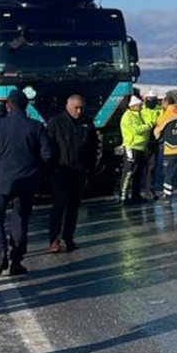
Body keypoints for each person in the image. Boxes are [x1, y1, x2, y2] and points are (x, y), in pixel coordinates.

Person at [0, 90, 52, 277]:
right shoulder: (36, 127)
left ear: (8, 105)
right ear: (26, 105)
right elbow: (47, 155)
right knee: (20, 219)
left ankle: (0, 251)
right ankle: (17, 259)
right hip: (27, 181)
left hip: (1, 180)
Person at [46, 95, 98, 252]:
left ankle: (69, 238)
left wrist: (90, 168)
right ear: (68, 106)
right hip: (60, 171)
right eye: (76, 108)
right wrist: (50, 168)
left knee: (73, 208)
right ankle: (54, 239)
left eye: (82, 108)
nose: (79, 111)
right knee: (59, 206)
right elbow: (49, 147)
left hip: (79, 171)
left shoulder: (87, 123)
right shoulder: (56, 123)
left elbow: (92, 147)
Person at [151, 91, 177, 204]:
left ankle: (167, 194)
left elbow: (157, 133)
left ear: (166, 102)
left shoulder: (165, 116)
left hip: (170, 149)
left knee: (169, 173)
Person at [118, 95, 151, 204]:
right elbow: (136, 129)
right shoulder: (128, 116)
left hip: (141, 147)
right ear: (134, 106)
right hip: (132, 146)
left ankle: (136, 195)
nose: (142, 107)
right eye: (140, 105)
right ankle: (123, 196)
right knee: (128, 171)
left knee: (138, 172)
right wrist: (149, 126)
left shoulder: (139, 114)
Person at [140, 91, 161, 199]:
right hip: (143, 141)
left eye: (153, 99)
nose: (151, 101)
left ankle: (150, 190)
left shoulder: (159, 109)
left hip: (154, 141)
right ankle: (138, 191)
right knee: (140, 167)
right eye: (149, 99)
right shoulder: (141, 109)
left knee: (151, 167)